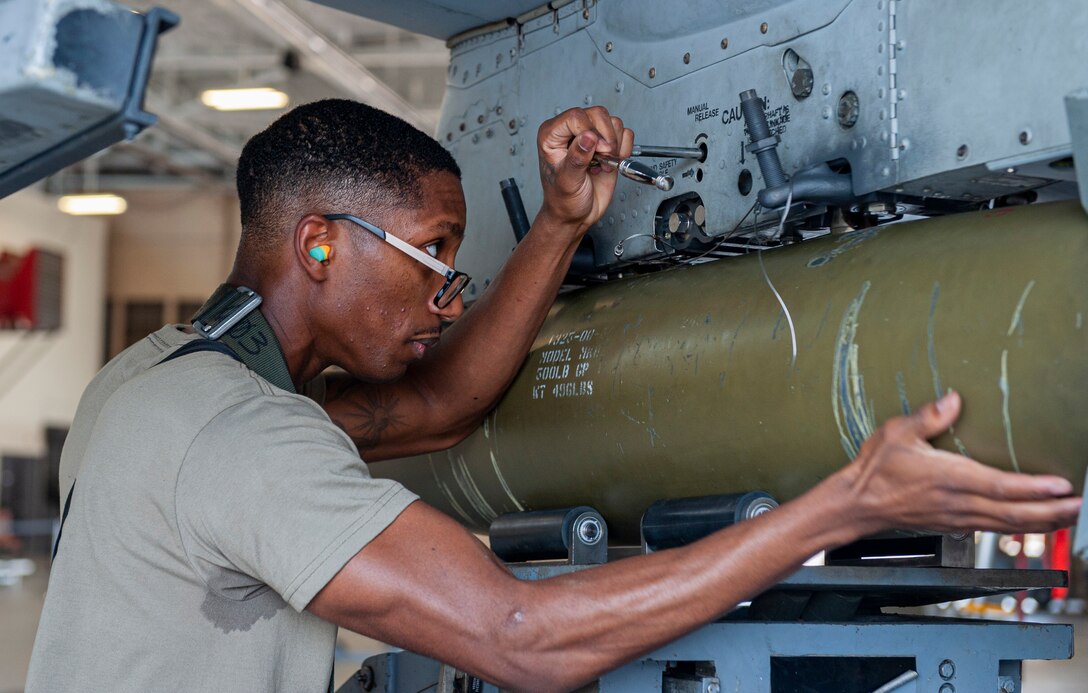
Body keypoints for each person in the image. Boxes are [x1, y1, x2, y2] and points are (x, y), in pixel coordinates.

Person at [27, 99, 1080, 692]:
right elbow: (520, 635)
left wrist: (561, 222)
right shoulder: (246, 436)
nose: (447, 294)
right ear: (316, 243)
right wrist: (846, 500)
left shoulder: (154, 380)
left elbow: (436, 411)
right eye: (434, 255)